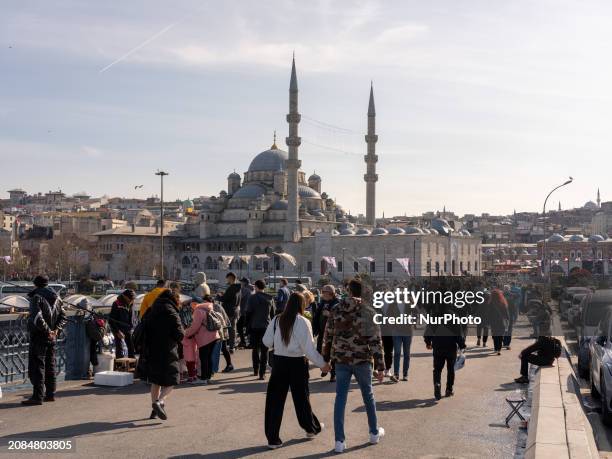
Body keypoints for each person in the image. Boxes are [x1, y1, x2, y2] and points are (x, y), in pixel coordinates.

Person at [322, 278, 385, 454]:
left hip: (341, 359)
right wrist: (381, 366)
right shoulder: (368, 311)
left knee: (340, 398)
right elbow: (375, 341)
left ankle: (339, 441)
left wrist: (325, 359)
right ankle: (373, 433)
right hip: (362, 359)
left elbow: (328, 336)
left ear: (348, 291)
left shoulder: (336, 309)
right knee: (368, 395)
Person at [262, 292, 330, 449]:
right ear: (302, 305)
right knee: (301, 398)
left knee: (274, 401)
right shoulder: (303, 321)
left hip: (279, 362)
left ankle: (273, 438)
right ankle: (310, 428)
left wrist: (279, 344)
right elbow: (309, 350)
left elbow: (266, 341)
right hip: (297, 363)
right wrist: (323, 364)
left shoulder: (277, 319)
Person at [22, 275, 67, 405]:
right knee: (50, 365)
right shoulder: (57, 298)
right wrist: (56, 330)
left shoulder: (36, 297)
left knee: (38, 366)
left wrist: (48, 331)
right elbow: (63, 317)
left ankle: (37, 396)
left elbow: (37, 317)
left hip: (40, 337)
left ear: (36, 284)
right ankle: (50, 394)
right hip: (52, 337)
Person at [141, 289, 184, 420]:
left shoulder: (151, 310)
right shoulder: (171, 312)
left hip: (152, 349)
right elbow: (179, 334)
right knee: (173, 379)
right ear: (175, 300)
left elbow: (143, 326)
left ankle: (154, 410)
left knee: (156, 380)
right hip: (168, 350)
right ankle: (159, 402)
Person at [424, 304, 466, 400]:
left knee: (437, 369)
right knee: (451, 369)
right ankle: (449, 389)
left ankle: (437, 383)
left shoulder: (434, 316)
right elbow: (458, 333)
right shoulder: (453, 316)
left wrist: (428, 342)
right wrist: (462, 345)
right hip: (451, 347)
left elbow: (428, 331)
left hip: (438, 346)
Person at [184, 297, 220, 384]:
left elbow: (195, 326)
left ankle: (203, 379)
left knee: (203, 358)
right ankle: (208, 377)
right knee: (208, 357)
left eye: (191, 304)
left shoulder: (198, 310)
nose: (190, 306)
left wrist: (186, 333)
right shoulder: (208, 308)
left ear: (194, 303)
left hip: (205, 338)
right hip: (214, 336)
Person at [245, 279, 274, 379]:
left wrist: (246, 325)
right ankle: (262, 373)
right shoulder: (270, 298)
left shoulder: (252, 298)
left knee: (255, 349)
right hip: (266, 326)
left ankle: (255, 370)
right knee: (264, 350)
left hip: (254, 326)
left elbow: (248, 313)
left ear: (256, 287)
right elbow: (272, 314)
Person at [312, 284, 339, 382]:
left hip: (333, 334)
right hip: (322, 333)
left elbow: (341, 318)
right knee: (322, 353)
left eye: (324, 292)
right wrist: (314, 328)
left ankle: (333, 374)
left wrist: (330, 314)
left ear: (330, 293)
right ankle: (325, 367)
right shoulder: (322, 302)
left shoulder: (337, 303)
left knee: (333, 355)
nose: (322, 294)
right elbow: (317, 316)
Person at [389, 300, 413, 382]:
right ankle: (396, 374)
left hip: (408, 331)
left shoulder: (409, 303)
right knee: (397, 352)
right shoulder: (392, 304)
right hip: (396, 331)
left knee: (407, 353)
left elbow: (416, 312)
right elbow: (389, 315)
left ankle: (405, 374)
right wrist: (392, 326)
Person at [109, 289, 136, 358]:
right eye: (130, 299)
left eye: (132, 299)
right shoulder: (116, 303)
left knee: (131, 347)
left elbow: (132, 317)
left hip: (128, 329)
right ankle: (119, 366)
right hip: (118, 328)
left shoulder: (131, 303)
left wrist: (131, 327)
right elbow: (111, 320)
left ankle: (132, 365)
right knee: (119, 348)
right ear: (125, 296)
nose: (131, 301)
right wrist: (117, 331)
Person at [211, 297, 234, 373]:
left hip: (222, 329)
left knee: (223, 348)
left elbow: (218, 320)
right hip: (224, 328)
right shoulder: (218, 305)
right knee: (224, 348)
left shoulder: (215, 307)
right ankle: (229, 365)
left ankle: (229, 365)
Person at [220, 272, 241, 352]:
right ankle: (232, 346)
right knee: (233, 329)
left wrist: (219, 296)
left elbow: (225, 299)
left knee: (225, 329)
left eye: (227, 278)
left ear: (231, 278)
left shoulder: (232, 288)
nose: (227, 280)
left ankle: (225, 347)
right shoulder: (238, 288)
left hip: (229, 311)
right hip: (235, 311)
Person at [487, 288, 510, 355]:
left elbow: (488, 313)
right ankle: (498, 349)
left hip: (493, 321)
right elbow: (506, 312)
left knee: (495, 335)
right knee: (500, 335)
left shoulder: (490, 303)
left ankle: (496, 348)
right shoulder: (502, 302)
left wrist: (488, 321)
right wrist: (507, 319)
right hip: (501, 321)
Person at [237, 277, 254, 348]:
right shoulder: (252, 289)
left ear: (244, 283)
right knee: (249, 327)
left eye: (241, 282)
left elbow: (239, 298)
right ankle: (250, 342)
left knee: (239, 326)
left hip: (245, 312)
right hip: (251, 311)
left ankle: (244, 342)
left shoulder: (244, 289)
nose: (240, 283)